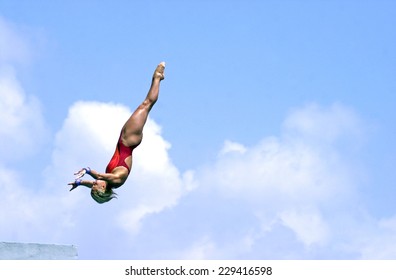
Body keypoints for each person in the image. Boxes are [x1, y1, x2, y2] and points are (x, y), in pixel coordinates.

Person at [68, 62, 165, 203]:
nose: (94, 184)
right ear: (103, 189)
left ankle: (157, 78)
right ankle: (158, 77)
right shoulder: (116, 180)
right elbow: (100, 176)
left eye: (93, 186)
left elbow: (97, 181)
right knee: (146, 105)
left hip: (124, 140)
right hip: (129, 140)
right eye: (95, 186)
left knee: (145, 106)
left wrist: (80, 183)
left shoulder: (106, 183)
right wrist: (87, 170)